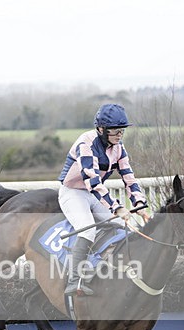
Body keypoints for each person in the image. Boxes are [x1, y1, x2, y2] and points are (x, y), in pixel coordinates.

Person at [58, 103, 150, 297]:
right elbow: (93, 182)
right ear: (101, 129)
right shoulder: (86, 143)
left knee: (120, 225)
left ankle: (108, 269)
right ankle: (74, 281)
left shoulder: (119, 148)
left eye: (122, 131)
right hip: (73, 192)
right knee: (88, 229)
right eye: (115, 131)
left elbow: (128, 177)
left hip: (93, 194)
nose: (119, 135)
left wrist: (140, 204)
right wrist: (117, 207)